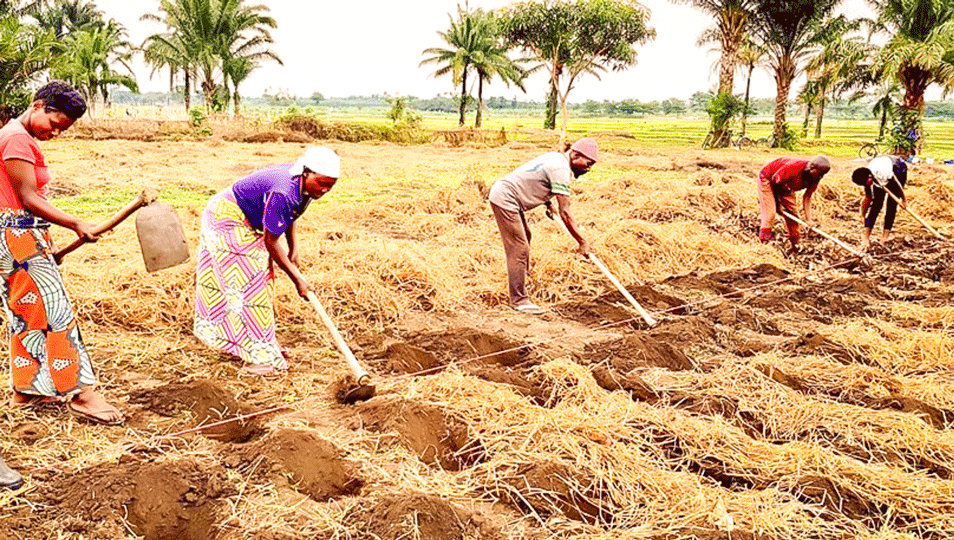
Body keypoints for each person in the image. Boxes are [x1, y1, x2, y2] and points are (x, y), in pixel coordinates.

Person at [0, 81, 123, 425]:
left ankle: (25, 389)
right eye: (54, 123)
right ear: (38, 106)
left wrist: (48, 237)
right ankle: (82, 393)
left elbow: (22, 201)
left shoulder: (19, 137)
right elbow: (26, 198)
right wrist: (76, 222)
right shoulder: (15, 139)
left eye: (63, 129)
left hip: (21, 234)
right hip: (15, 238)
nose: (55, 132)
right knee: (56, 311)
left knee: (28, 314)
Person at [194, 146, 340, 377]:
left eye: (330, 186)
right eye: (321, 183)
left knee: (257, 283)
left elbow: (291, 213)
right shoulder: (284, 189)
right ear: (306, 173)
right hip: (227, 218)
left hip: (249, 219)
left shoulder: (307, 188)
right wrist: (298, 279)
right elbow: (271, 242)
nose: (324, 190)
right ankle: (261, 357)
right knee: (250, 286)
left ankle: (260, 344)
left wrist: (294, 248)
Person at [488, 138, 598, 314]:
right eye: (588, 162)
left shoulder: (556, 158)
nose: (588, 168)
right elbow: (566, 212)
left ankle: (523, 281)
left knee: (526, 237)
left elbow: (536, 179)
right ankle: (519, 300)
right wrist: (582, 241)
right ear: (576, 154)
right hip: (506, 199)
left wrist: (547, 202)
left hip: (506, 194)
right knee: (519, 247)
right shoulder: (560, 168)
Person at [756, 155, 832, 252]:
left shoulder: (816, 177)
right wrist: (778, 205)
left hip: (785, 186)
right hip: (768, 178)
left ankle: (794, 245)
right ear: (811, 167)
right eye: (819, 173)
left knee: (794, 216)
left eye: (821, 174)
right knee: (770, 213)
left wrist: (809, 220)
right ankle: (763, 245)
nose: (820, 176)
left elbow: (807, 197)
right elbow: (775, 183)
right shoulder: (793, 167)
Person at [852, 155, 907, 250]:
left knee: (891, 205)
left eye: (866, 183)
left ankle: (884, 237)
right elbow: (868, 197)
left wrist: (904, 200)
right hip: (882, 169)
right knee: (877, 204)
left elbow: (898, 183)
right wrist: (863, 215)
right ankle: (866, 237)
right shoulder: (866, 176)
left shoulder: (883, 173)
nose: (867, 185)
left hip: (898, 169)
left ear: (869, 177)